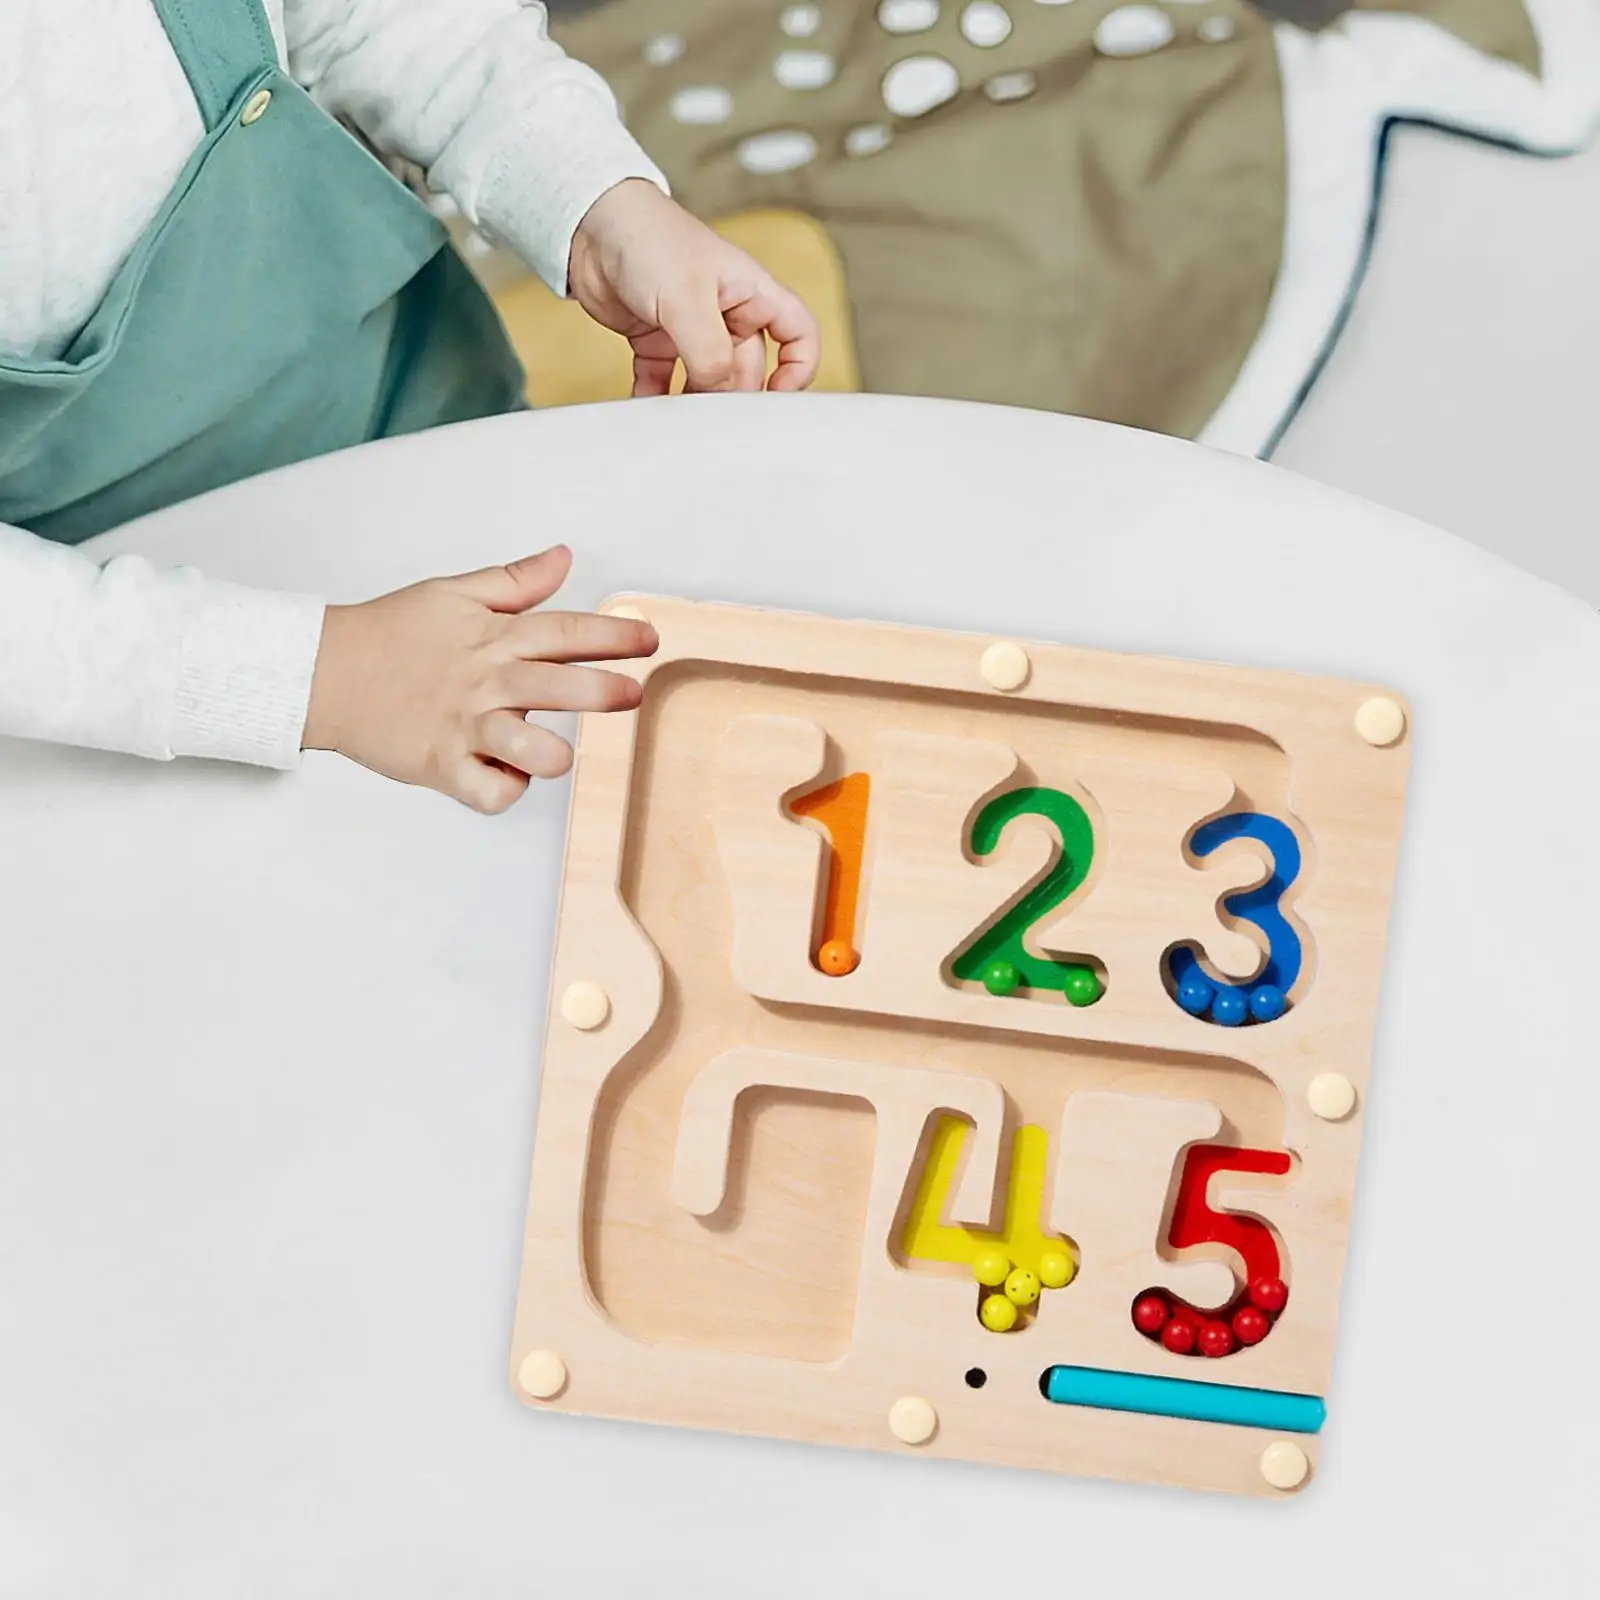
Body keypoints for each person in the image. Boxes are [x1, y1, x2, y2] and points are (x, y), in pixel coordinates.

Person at [0, 0, 820, 814]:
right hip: (112, 657)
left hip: (410, 404)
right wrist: (320, 677)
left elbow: (385, 17)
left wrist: (598, 198)